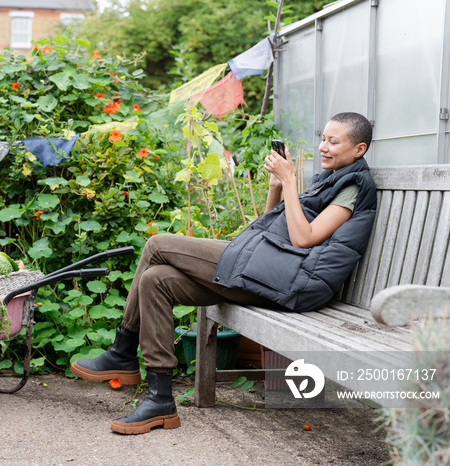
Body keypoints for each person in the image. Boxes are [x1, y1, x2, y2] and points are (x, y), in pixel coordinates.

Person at [71, 112, 377, 435]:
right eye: (323, 138)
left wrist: (290, 181)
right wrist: (277, 186)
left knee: (157, 245)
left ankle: (122, 352)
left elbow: (303, 238)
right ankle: (160, 399)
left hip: (290, 283)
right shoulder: (331, 178)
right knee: (154, 280)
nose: (323, 147)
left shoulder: (354, 186)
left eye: (333, 141)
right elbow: (277, 225)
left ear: (358, 149)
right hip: (275, 270)